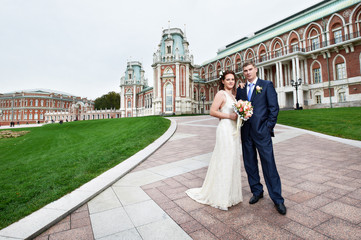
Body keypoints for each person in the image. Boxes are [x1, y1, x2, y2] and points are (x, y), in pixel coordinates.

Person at [186, 70, 243, 210]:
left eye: (232, 79)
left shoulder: (233, 95)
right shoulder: (221, 94)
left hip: (234, 130)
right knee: (224, 160)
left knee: (232, 160)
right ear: (222, 81)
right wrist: (229, 116)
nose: (231, 81)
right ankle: (220, 196)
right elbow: (212, 111)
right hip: (225, 129)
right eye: (228, 79)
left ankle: (230, 195)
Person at [236, 61, 286, 215]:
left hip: (262, 132)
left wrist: (268, 127)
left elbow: (273, 108)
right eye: (245, 71)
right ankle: (257, 191)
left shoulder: (266, 85)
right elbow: (238, 107)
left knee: (269, 164)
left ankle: (277, 199)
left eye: (250, 69)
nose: (248, 72)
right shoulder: (241, 89)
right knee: (250, 164)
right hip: (246, 133)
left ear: (255, 70)